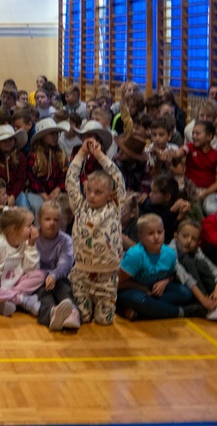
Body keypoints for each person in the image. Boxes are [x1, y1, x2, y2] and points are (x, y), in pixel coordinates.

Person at [66, 137, 126, 325]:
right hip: (82, 275)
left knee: (104, 321)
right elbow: (71, 181)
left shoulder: (115, 207)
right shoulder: (80, 207)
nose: (91, 195)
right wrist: (81, 154)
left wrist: (99, 154)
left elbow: (117, 177)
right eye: (89, 190)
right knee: (82, 317)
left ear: (110, 194)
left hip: (107, 277)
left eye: (98, 192)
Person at [116, 213, 192, 320]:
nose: (156, 237)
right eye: (150, 233)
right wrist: (142, 288)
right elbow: (118, 283)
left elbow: (171, 275)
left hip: (153, 291)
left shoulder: (170, 253)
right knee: (140, 300)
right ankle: (180, 312)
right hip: (133, 290)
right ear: (140, 237)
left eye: (159, 232)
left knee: (186, 292)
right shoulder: (135, 255)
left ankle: (141, 312)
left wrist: (165, 282)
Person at [0, 207, 44, 317]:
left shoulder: (26, 243)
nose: (33, 229)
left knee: (40, 275)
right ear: (14, 229)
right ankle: (22, 300)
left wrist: (31, 246)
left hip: (14, 282)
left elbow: (30, 269)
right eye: (29, 226)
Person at [171, 219, 217, 322]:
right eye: (185, 236)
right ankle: (210, 307)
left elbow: (216, 270)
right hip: (180, 285)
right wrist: (204, 300)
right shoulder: (170, 251)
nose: (189, 241)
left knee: (201, 264)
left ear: (198, 242)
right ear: (176, 236)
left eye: (194, 239)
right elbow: (183, 276)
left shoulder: (197, 251)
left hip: (195, 285)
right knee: (188, 261)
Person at [34, 199, 81, 331]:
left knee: (65, 291)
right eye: (47, 219)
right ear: (40, 220)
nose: (51, 223)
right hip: (38, 278)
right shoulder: (33, 237)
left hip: (58, 277)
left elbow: (66, 262)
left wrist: (54, 275)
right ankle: (52, 313)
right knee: (44, 295)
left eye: (56, 220)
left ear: (61, 222)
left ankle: (72, 313)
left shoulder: (66, 240)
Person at [179, 120, 217, 215]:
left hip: (209, 192)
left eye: (198, 134)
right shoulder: (189, 147)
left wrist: (205, 193)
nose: (194, 137)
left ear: (209, 136)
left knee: (210, 209)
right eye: (193, 133)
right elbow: (178, 153)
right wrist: (170, 154)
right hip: (190, 190)